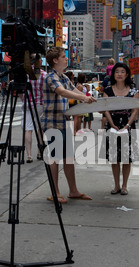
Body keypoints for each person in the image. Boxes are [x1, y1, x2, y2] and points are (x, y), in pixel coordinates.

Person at [43, 47, 96, 203]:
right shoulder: (51, 77)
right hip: (52, 123)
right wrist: (84, 98)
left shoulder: (64, 77)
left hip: (64, 121)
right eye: (63, 57)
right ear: (55, 60)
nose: (66, 59)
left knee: (68, 158)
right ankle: (55, 192)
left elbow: (73, 90)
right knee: (54, 158)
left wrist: (87, 98)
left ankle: (73, 190)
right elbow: (63, 92)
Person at [103, 62, 139, 196]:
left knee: (126, 158)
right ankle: (116, 185)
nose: (119, 74)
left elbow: (135, 111)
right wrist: (111, 123)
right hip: (112, 125)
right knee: (114, 158)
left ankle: (124, 185)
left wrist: (128, 125)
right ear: (113, 74)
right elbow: (105, 109)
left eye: (122, 71)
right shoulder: (107, 90)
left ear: (127, 74)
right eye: (117, 71)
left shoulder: (133, 91)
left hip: (128, 125)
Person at [20, 54, 47, 162]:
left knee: (28, 129)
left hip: (27, 104)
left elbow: (19, 91)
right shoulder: (44, 75)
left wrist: (24, 100)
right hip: (40, 104)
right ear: (39, 62)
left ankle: (29, 155)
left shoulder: (25, 75)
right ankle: (40, 152)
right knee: (40, 129)